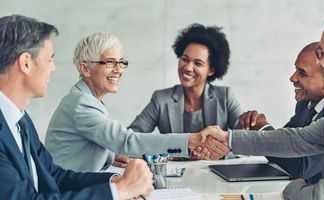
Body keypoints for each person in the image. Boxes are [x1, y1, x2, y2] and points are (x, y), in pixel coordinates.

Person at [202, 9, 324, 199]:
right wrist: (228, 138)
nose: (319, 62)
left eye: (321, 53)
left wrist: (291, 189)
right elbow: (301, 139)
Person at [0, 14, 153, 199]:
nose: (53, 68)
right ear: (26, 63)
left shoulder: (21, 121)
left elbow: (55, 176)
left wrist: (114, 181)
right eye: (49, 59)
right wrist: (119, 192)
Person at [45, 32, 228, 172]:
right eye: (109, 62)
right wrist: (193, 140)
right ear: (85, 68)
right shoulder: (82, 103)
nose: (118, 70)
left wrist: (110, 156)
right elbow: (128, 140)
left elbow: (95, 142)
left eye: (121, 63)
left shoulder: (85, 99)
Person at [238, 42, 324, 183]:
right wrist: (256, 128)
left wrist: (262, 129)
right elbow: (283, 144)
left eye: (302, 72)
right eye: (295, 70)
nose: (292, 78)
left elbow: (302, 167)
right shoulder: (304, 104)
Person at [128, 23, 243, 135]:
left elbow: (245, 139)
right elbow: (131, 136)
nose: (188, 67)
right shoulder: (161, 99)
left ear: (211, 70)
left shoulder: (225, 97)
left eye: (198, 63)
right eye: (185, 59)